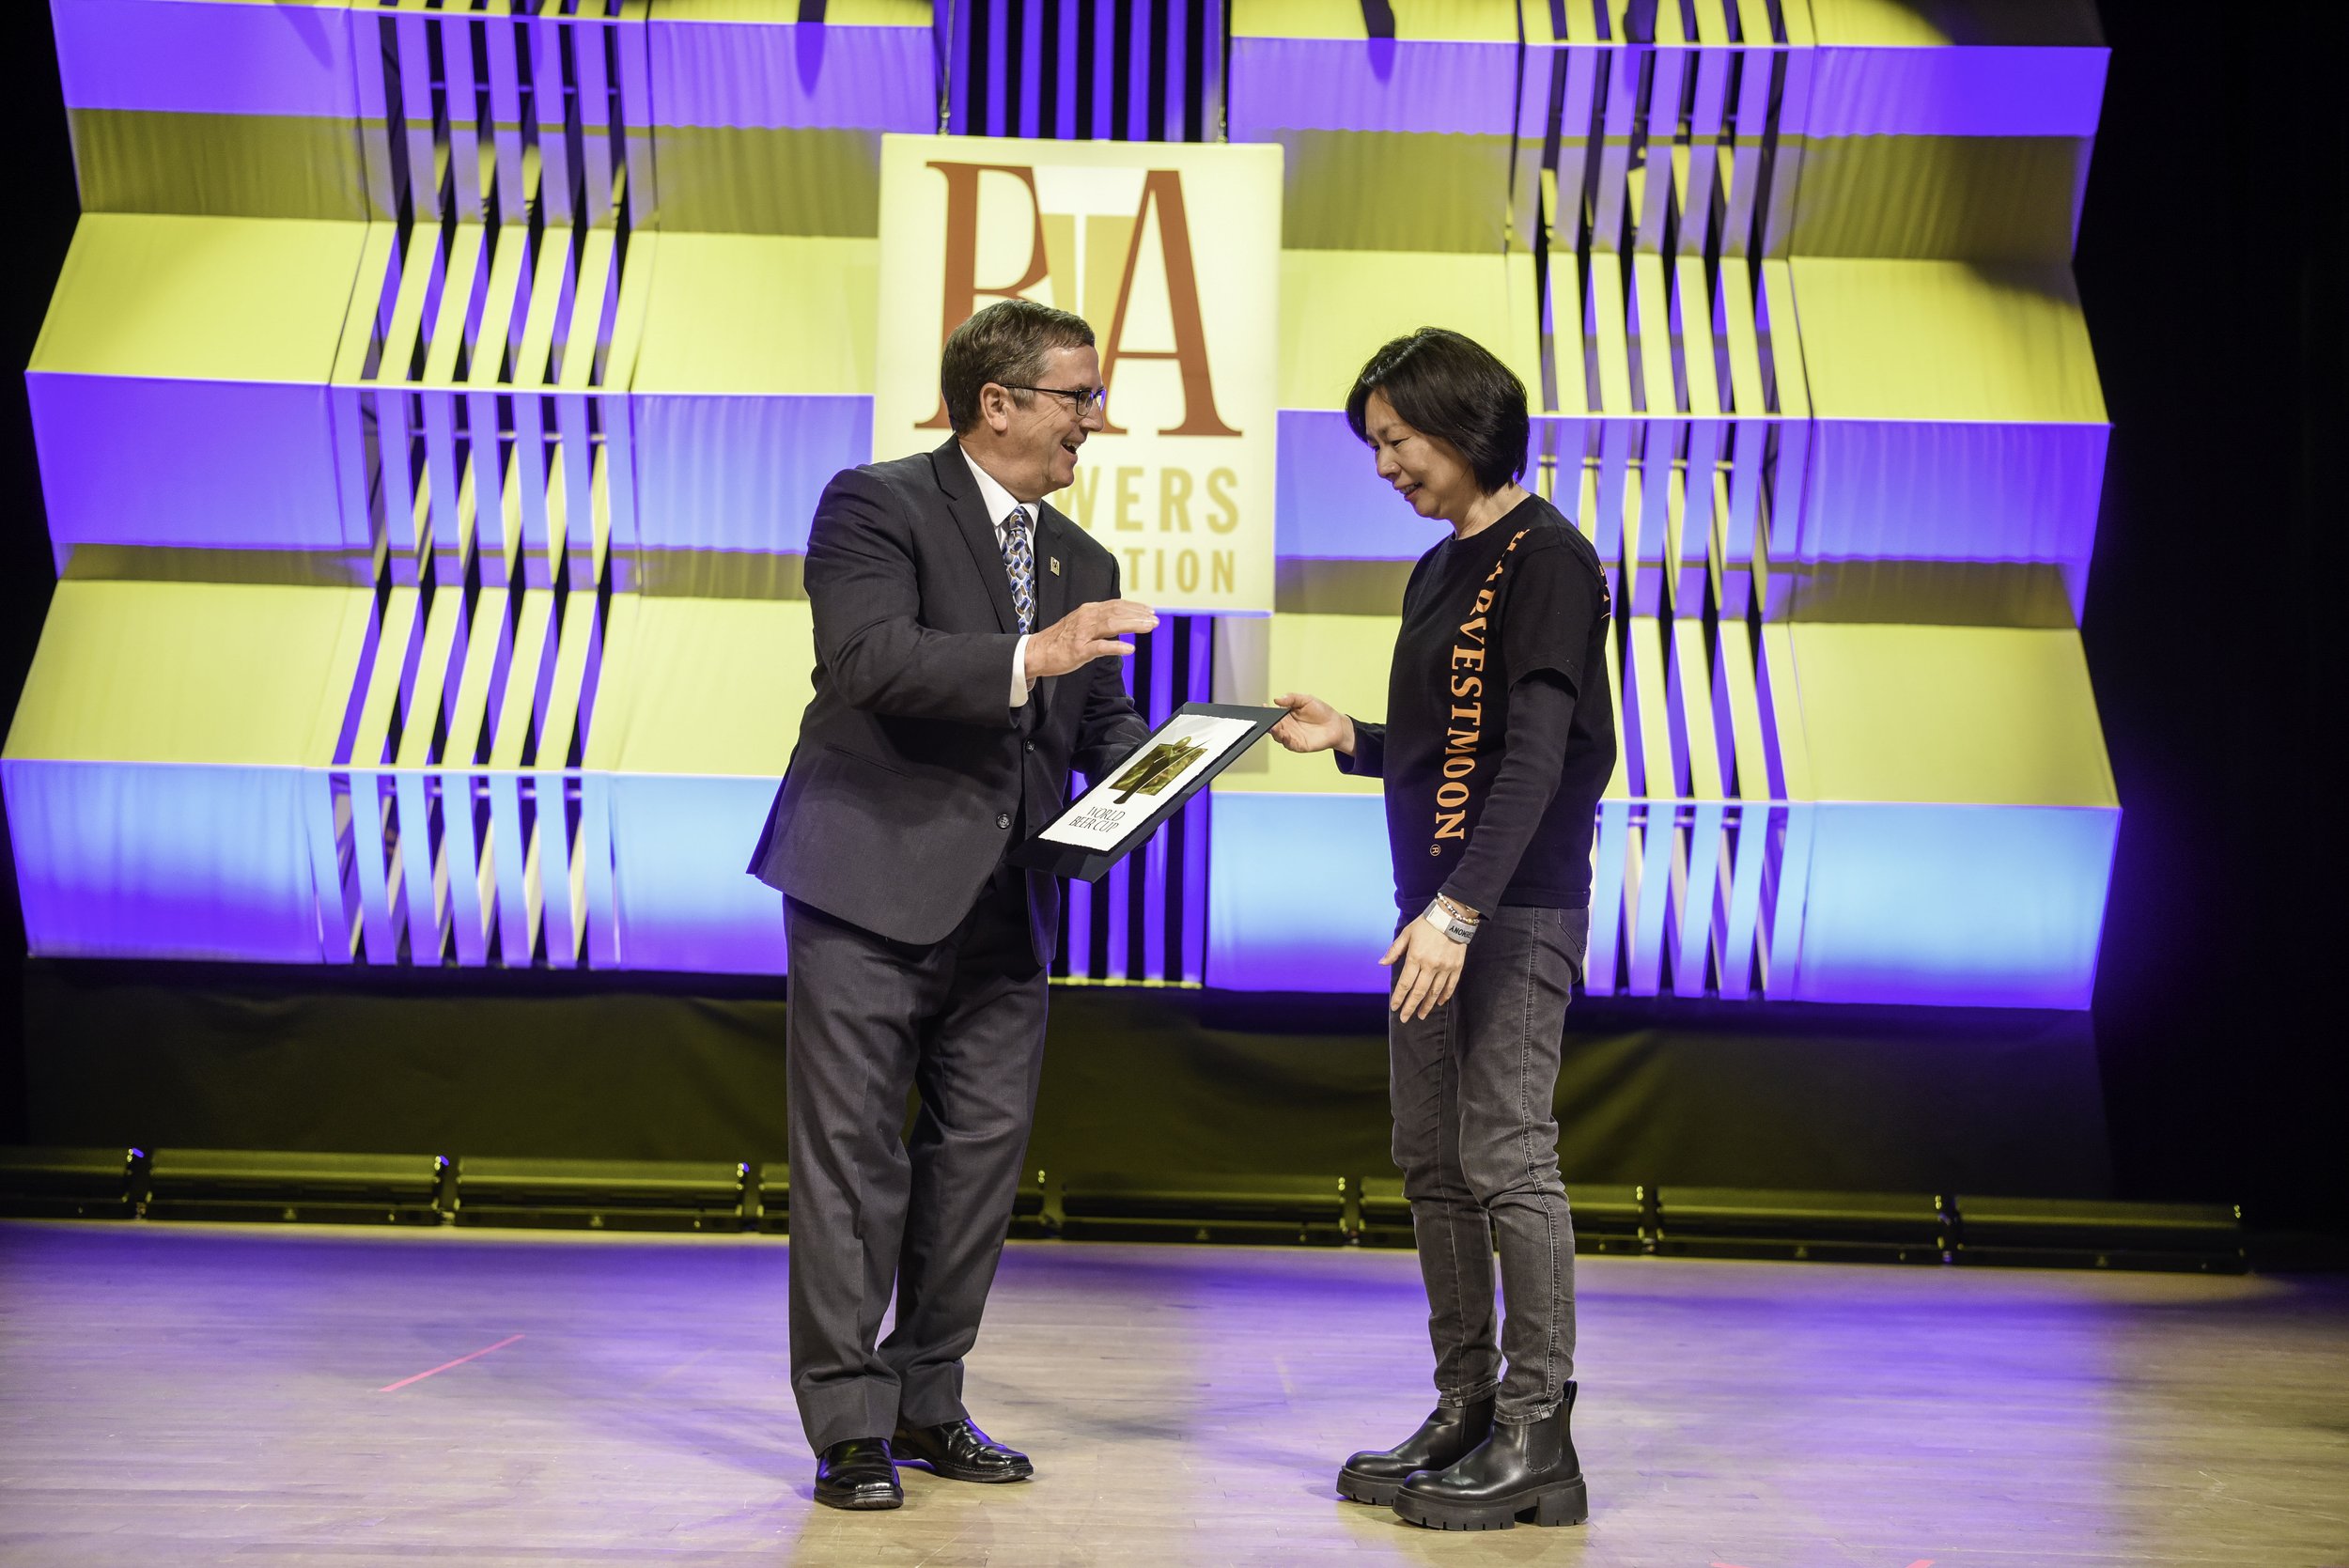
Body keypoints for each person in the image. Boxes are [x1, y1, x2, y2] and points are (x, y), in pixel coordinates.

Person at [746, 299, 1154, 1511]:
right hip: (868, 881)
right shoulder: (874, 504)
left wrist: (1172, 763)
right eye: (1079, 395)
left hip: (1006, 904)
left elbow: (1099, 723)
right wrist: (1032, 655)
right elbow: (868, 659)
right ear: (999, 402)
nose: (1095, 418)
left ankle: (927, 1399)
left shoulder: (1082, 560)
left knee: (976, 1163)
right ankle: (848, 1423)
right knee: (851, 1161)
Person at [1271, 327, 1615, 1532]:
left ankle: (1537, 1432)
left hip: (1507, 909)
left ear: (1464, 426)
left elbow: (1537, 756)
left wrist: (1462, 911)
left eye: (1397, 440)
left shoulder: (1549, 559)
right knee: (1430, 1159)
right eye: (1375, 445)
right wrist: (1353, 739)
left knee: (1506, 1155)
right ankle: (1464, 1406)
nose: (1385, 467)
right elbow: (1451, 744)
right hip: (1432, 912)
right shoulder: (1439, 566)